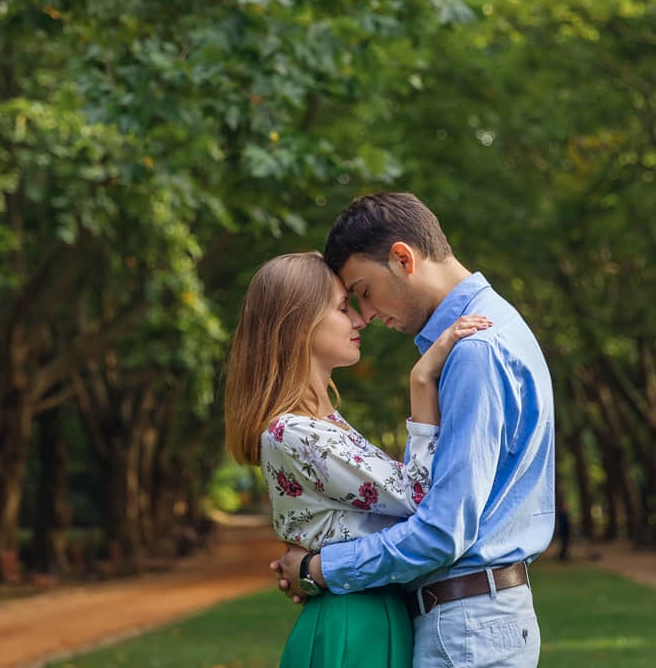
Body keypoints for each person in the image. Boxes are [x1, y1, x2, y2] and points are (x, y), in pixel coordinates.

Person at [273, 192, 555, 668]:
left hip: (466, 629)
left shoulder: (475, 352)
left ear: (403, 259)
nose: (365, 316)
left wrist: (323, 568)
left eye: (362, 291)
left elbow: (444, 531)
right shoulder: (488, 333)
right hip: (475, 621)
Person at [224, 252, 490, 668]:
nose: (360, 319)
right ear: (299, 324)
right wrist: (421, 384)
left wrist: (310, 569)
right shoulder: (295, 433)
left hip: (370, 614)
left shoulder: (322, 423)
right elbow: (420, 498)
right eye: (342, 307)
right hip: (354, 623)